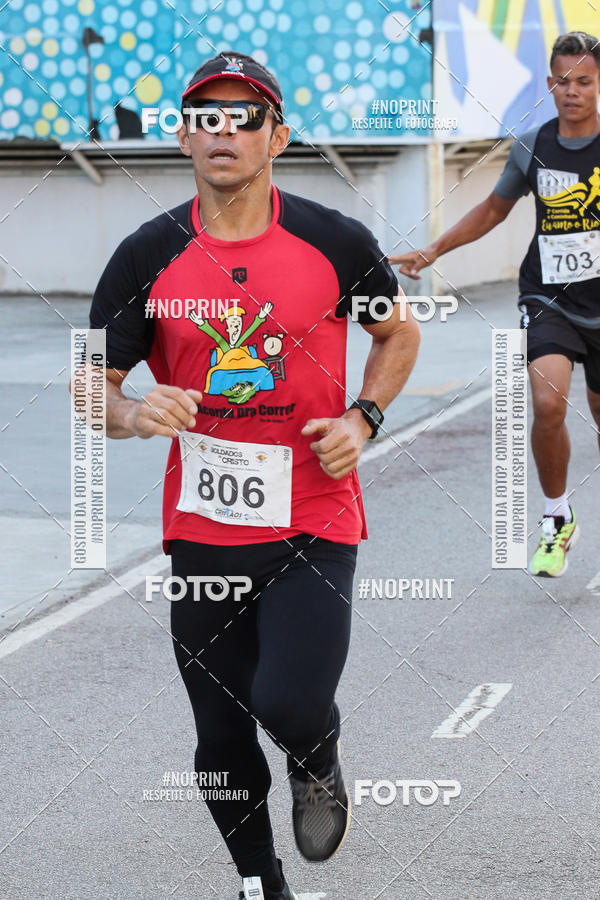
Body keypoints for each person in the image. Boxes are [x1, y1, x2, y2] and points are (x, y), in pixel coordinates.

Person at [86, 51, 420, 899]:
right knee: (220, 731)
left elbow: (398, 333)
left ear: (277, 137)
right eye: (206, 116)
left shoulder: (335, 239)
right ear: (183, 136)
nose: (222, 130)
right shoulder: (144, 257)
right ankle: (258, 882)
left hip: (314, 515)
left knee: (290, 703)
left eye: (243, 115)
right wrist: (132, 411)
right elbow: (92, 383)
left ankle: (317, 756)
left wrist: (363, 416)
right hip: (203, 529)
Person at [390, 31, 600, 578]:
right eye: (561, 81)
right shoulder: (533, 145)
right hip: (549, 297)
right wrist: (434, 249)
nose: (570, 91)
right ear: (549, 82)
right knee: (549, 405)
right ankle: (556, 519)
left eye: (583, 81)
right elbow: (491, 211)